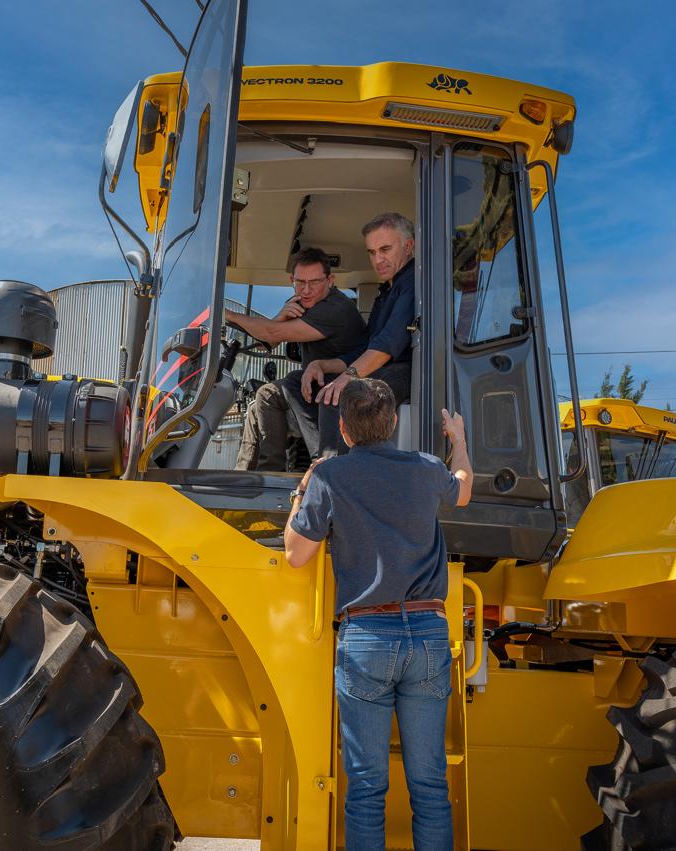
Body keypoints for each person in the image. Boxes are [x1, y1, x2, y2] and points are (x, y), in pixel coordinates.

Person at [283, 378, 473, 851]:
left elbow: (295, 555)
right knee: (430, 784)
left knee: (366, 787)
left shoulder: (331, 477)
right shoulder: (428, 468)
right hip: (429, 633)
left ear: (344, 429)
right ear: (392, 425)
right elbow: (464, 490)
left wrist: (304, 484)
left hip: (367, 636)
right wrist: (459, 440)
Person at [287, 212, 416, 458]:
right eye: (372, 252)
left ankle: (334, 471)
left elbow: (387, 345)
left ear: (408, 246)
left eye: (385, 249)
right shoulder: (386, 291)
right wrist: (320, 365)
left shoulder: (412, 284)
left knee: (341, 393)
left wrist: (347, 377)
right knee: (297, 380)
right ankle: (324, 461)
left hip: (405, 369)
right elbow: (365, 347)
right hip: (381, 366)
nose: (378, 259)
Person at [225, 247, 366, 471]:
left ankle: (284, 472)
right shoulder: (303, 301)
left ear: (330, 280)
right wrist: (281, 316)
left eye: (315, 282)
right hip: (315, 385)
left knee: (272, 393)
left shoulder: (335, 309)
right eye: (300, 282)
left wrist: (227, 314)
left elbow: (270, 334)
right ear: (292, 279)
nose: (307, 290)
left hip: (341, 390)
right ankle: (249, 479)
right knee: (258, 404)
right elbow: (266, 344)